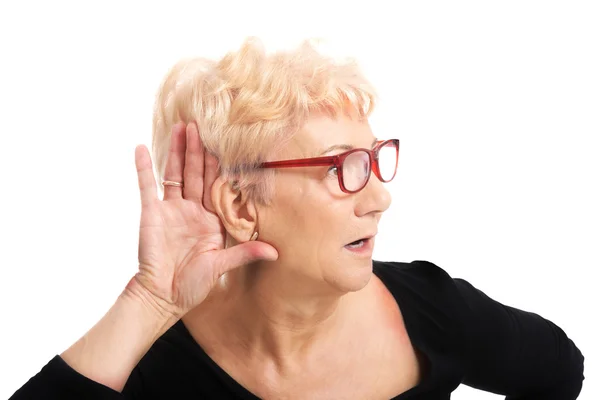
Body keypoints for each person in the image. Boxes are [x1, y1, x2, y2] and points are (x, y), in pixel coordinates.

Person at [11, 38, 584, 400]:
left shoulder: (430, 312)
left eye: (375, 160)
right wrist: (148, 303)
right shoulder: (149, 369)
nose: (380, 198)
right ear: (241, 206)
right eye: (343, 168)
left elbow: (560, 370)